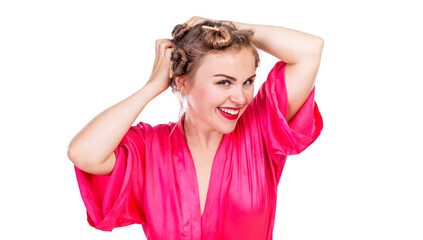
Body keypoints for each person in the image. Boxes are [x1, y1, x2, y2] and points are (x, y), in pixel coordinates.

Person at [68, 16, 324, 240]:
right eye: (224, 82)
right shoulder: (148, 148)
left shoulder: (260, 131)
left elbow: (310, 50)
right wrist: (151, 88)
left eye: (247, 82)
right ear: (182, 84)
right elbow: (83, 153)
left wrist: (228, 28)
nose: (241, 97)